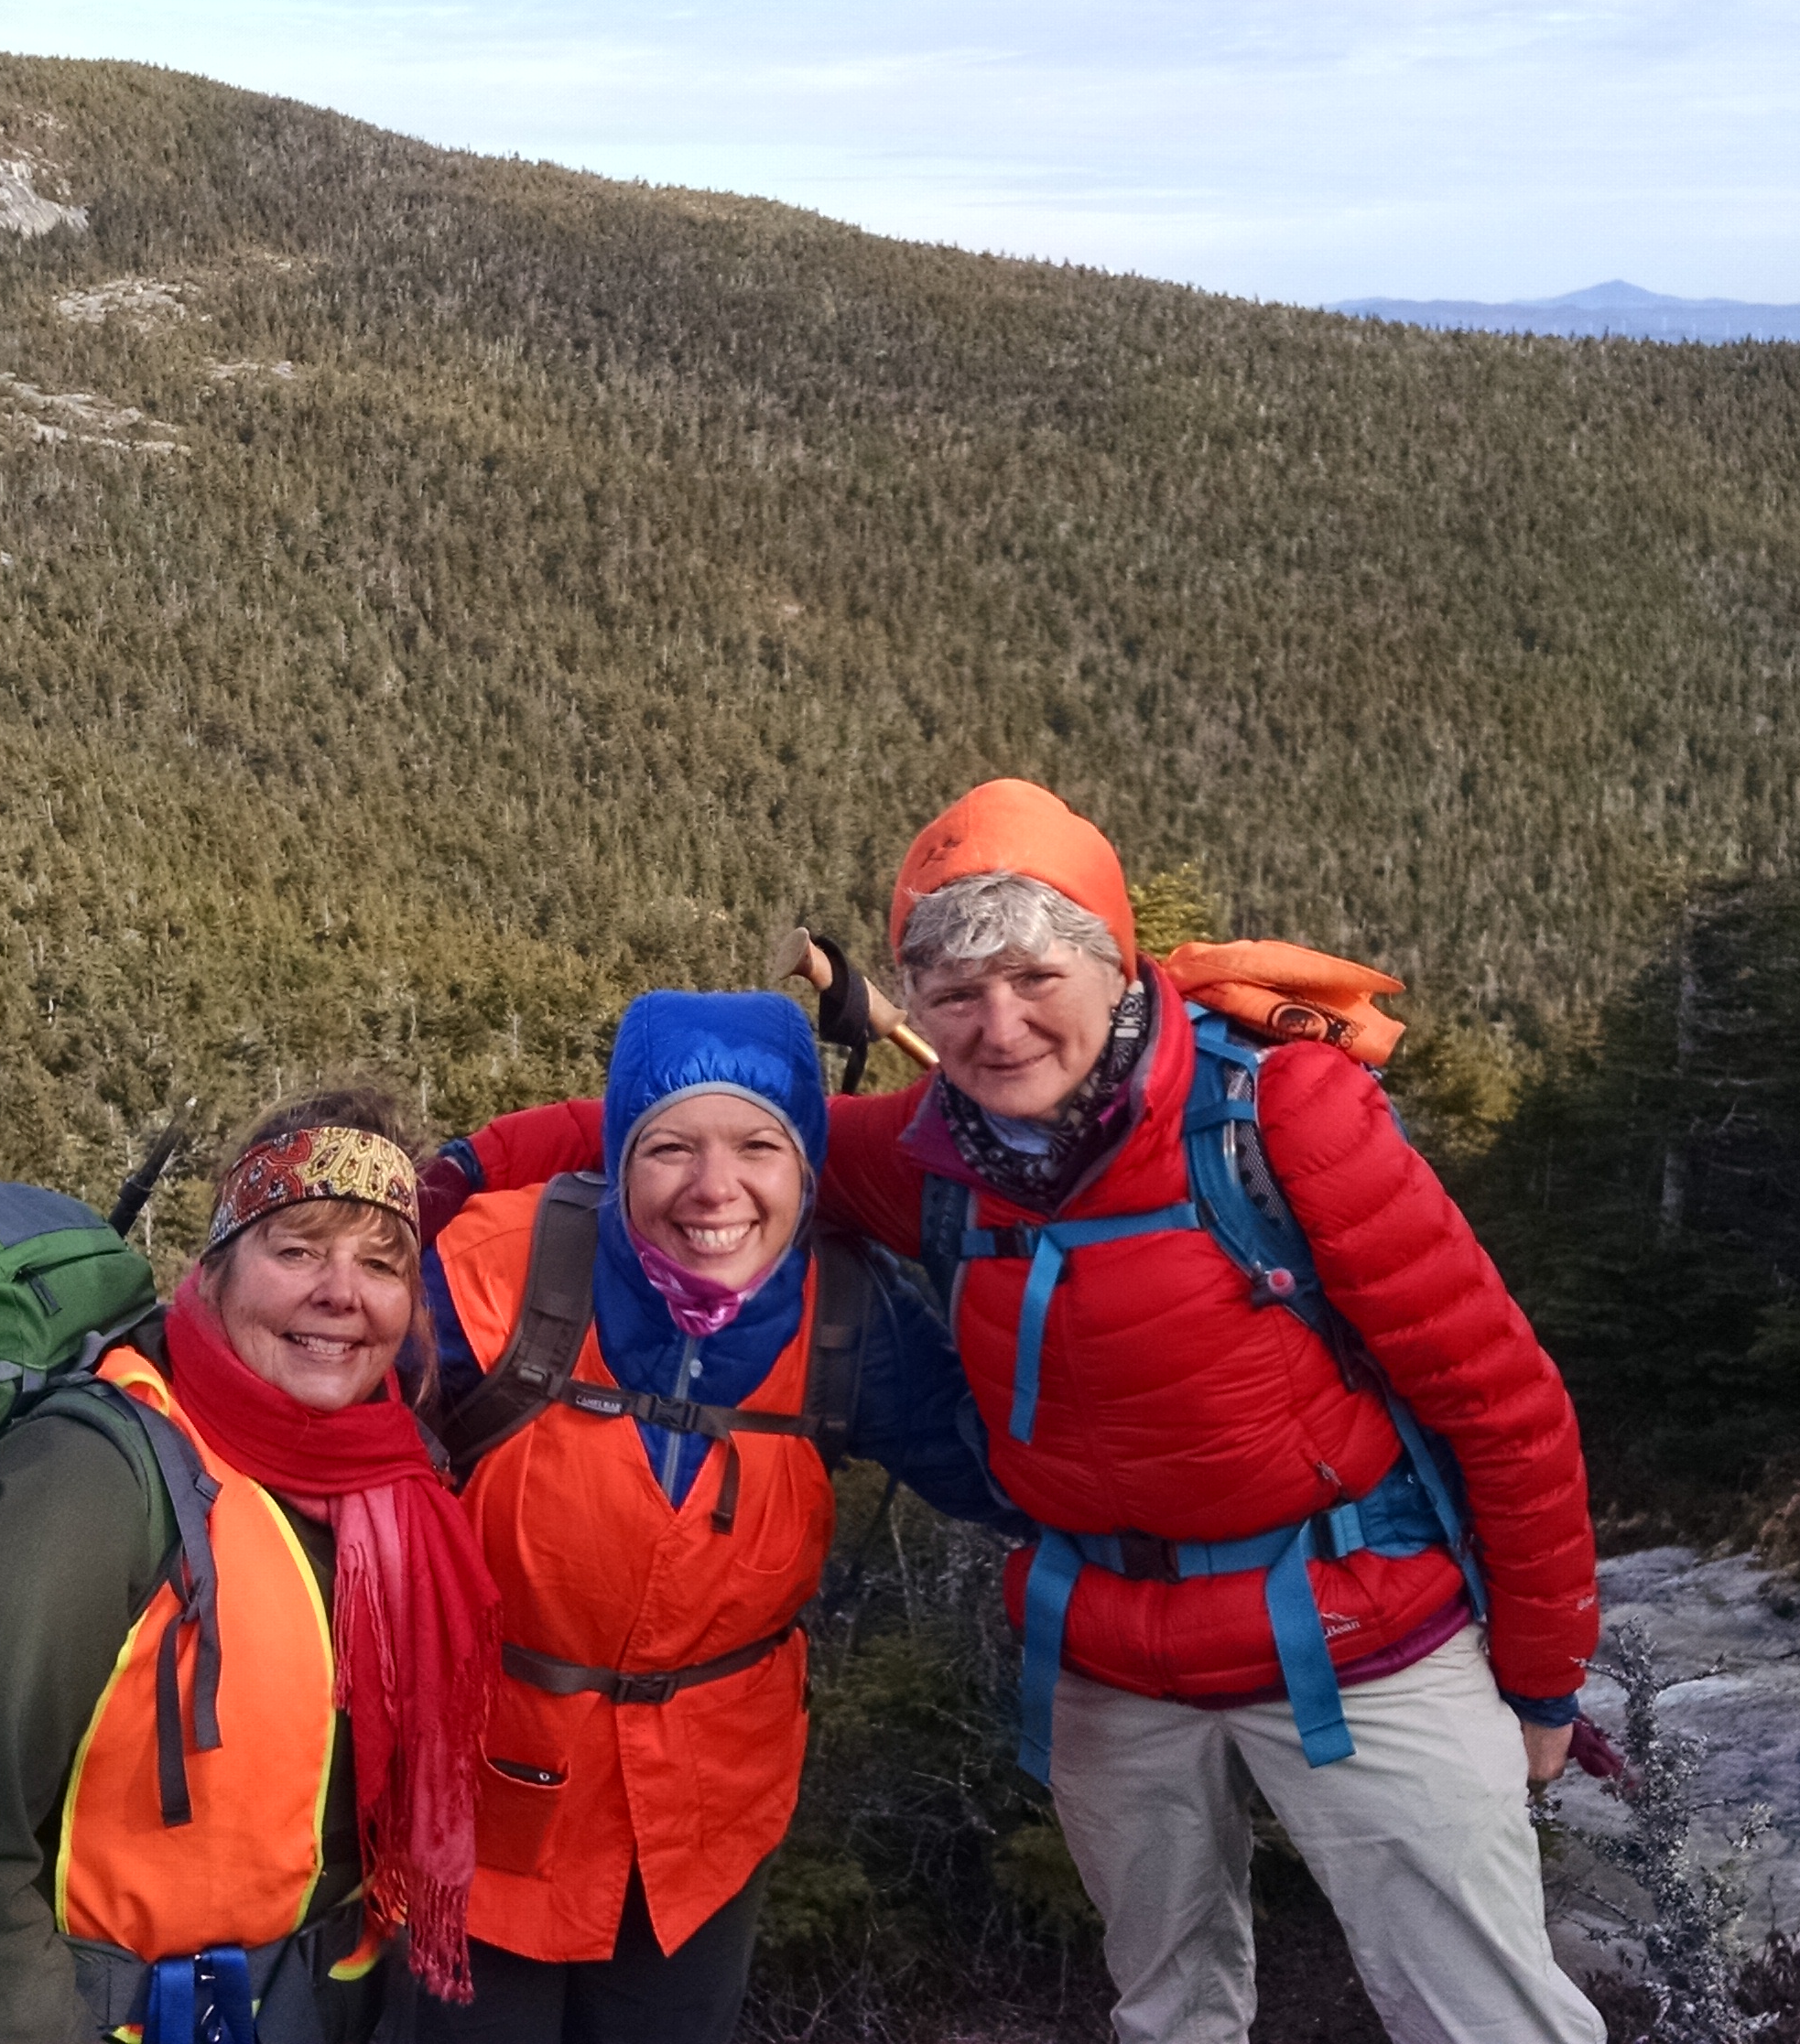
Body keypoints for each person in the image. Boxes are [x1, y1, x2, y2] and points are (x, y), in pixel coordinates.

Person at [446, 782, 1605, 2044]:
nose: (998, 1029)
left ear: (1117, 962)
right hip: (1114, 1658)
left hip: (1357, 1633)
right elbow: (687, 1120)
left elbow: (1501, 1401)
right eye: (954, 994)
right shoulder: (932, 1152)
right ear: (917, 998)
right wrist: (448, 1170)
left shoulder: (1282, 1119)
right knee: (1169, 2014)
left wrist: (1544, 1679)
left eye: (1036, 977)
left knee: (1483, 2016)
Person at [408, 991, 1005, 2044]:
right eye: (670, 1146)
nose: (714, 1188)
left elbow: (1001, 1475)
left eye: (759, 1145)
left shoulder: (846, 1313)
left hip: (705, 1817)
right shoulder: (491, 1270)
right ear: (617, 1156)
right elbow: (319, 1423)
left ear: (808, 1164)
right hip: (478, 1803)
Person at [0, 1093, 503, 2044]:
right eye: (298, 1250)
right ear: (214, 1268)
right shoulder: (93, 1481)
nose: (342, 1292)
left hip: (314, 2002)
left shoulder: (391, 1477)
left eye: (381, 1263)